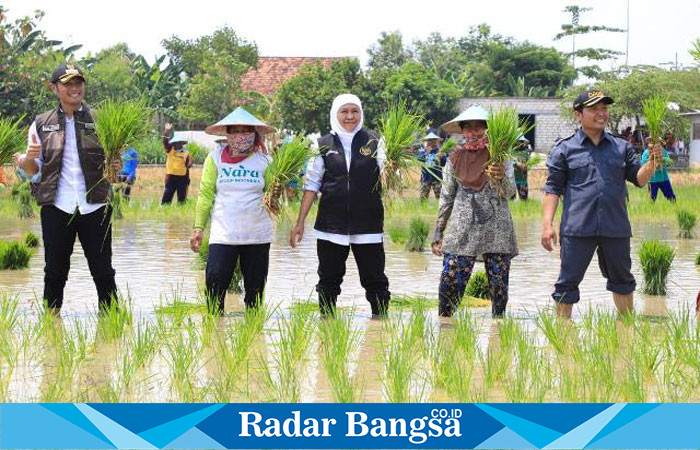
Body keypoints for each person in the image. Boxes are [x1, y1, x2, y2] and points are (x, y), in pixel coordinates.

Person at [541, 90, 662, 319]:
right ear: (578, 114)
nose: (601, 113)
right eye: (594, 109)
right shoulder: (564, 149)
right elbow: (552, 188)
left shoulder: (621, 147)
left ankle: (626, 330)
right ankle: (562, 335)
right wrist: (548, 225)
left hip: (615, 228)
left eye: (604, 108)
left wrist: (654, 161)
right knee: (566, 284)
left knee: (623, 282)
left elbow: (639, 179)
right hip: (577, 229)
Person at [20, 62, 117, 313]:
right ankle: (51, 325)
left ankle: (112, 327)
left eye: (78, 83)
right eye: (67, 84)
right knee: (54, 272)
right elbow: (33, 174)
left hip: (95, 205)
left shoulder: (101, 120)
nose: (74, 88)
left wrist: (115, 166)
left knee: (103, 271)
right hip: (56, 205)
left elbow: (113, 172)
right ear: (55, 88)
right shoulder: (41, 124)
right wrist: (29, 159)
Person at [289, 93, 391, 317]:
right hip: (331, 225)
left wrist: (393, 170)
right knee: (328, 279)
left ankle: (381, 326)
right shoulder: (322, 145)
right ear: (335, 114)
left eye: (355, 111)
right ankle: (326, 324)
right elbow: (312, 186)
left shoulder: (375, 141)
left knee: (375, 280)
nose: (350, 116)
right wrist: (299, 222)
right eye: (344, 111)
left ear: (361, 114)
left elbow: (387, 176)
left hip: (368, 224)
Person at [189, 107, 280, 314]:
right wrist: (198, 228)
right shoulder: (215, 158)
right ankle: (213, 336)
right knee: (214, 288)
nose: (241, 136)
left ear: (254, 134)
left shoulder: (265, 161)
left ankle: (253, 340)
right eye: (235, 131)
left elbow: (272, 199)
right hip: (223, 235)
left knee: (255, 295)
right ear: (227, 134)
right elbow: (205, 195)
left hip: (257, 235)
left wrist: (276, 192)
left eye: (246, 131)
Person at [431, 105, 518, 318]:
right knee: (450, 280)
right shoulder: (454, 158)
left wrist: (500, 177)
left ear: (488, 129)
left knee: (498, 286)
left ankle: (498, 328)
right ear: (462, 131)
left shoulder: (500, 156)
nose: (473, 132)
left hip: (496, 228)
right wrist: (438, 232)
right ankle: (446, 328)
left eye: (479, 127)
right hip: (462, 227)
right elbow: (446, 196)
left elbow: (510, 193)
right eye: (468, 128)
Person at [161, 123, 192, 204]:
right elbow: (164, 142)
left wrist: (190, 163)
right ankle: (165, 209)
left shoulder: (186, 152)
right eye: (176, 143)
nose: (177, 144)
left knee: (181, 197)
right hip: (171, 177)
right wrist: (166, 131)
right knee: (168, 195)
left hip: (182, 178)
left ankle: (181, 210)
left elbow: (189, 163)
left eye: (179, 143)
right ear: (174, 143)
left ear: (181, 143)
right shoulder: (170, 150)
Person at [641, 137, 676, 202]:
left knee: (671, 197)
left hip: (663, 178)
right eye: (653, 142)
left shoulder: (663, 151)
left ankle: (674, 207)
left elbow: (669, 162)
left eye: (657, 142)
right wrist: (651, 159)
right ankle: (651, 211)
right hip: (652, 179)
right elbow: (643, 163)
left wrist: (662, 159)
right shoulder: (646, 152)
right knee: (652, 199)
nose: (655, 143)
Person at [417, 132, 446, 201]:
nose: (430, 142)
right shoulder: (423, 151)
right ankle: (423, 209)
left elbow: (443, 164)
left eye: (432, 140)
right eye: (429, 140)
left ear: (435, 141)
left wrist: (442, 157)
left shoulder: (439, 151)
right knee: (423, 196)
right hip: (425, 177)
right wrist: (426, 152)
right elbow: (419, 159)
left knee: (439, 196)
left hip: (437, 177)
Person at [511, 135, 531, 201]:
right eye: (518, 141)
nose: (520, 143)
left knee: (524, 199)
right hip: (511, 179)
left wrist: (526, 166)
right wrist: (516, 164)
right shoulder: (510, 152)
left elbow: (530, 163)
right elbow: (508, 162)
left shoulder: (526, 152)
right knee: (510, 199)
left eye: (521, 141)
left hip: (522, 179)